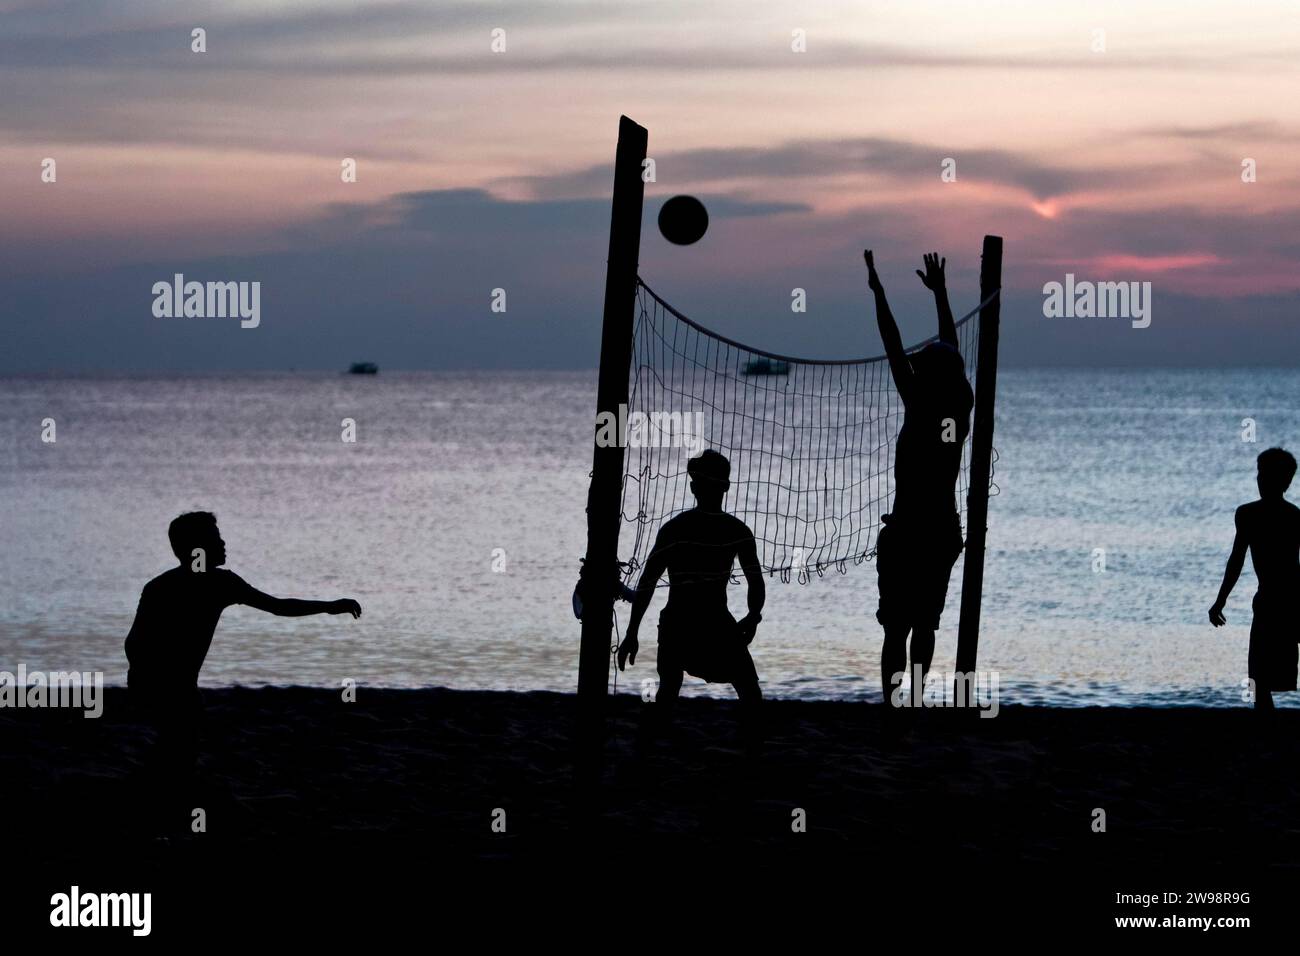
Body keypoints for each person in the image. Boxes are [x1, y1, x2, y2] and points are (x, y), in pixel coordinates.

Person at [125, 511, 361, 816]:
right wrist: (161, 679)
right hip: (156, 683)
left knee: (180, 741)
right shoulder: (163, 587)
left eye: (219, 536)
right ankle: (159, 802)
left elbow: (278, 606)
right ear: (195, 547)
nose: (222, 543)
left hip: (173, 685)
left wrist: (329, 607)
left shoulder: (221, 582)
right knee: (179, 739)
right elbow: (135, 643)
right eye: (214, 538)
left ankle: (159, 796)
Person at [863, 250, 974, 708]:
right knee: (920, 624)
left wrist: (879, 292)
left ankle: (898, 705)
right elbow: (952, 349)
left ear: (930, 375)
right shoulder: (959, 406)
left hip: (912, 531)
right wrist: (941, 294)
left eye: (922, 364)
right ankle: (909, 703)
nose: (915, 365)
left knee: (902, 627)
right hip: (939, 531)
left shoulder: (921, 402)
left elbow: (891, 343)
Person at [616, 450, 765, 718]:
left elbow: (647, 584)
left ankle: (646, 747)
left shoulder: (675, 529)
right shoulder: (736, 531)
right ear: (726, 486)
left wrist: (632, 632)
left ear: (693, 487)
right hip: (712, 624)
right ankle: (753, 754)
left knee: (668, 691)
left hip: (680, 625)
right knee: (750, 693)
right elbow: (756, 583)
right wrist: (753, 616)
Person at [1209, 447, 1300, 711]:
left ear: (1284, 481)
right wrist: (1220, 601)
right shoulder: (1249, 515)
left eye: (1267, 475)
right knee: (1259, 678)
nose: (1260, 480)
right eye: (1259, 474)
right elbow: (1235, 560)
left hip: (1286, 601)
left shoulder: (1291, 517)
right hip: (1268, 601)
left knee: (1261, 677)